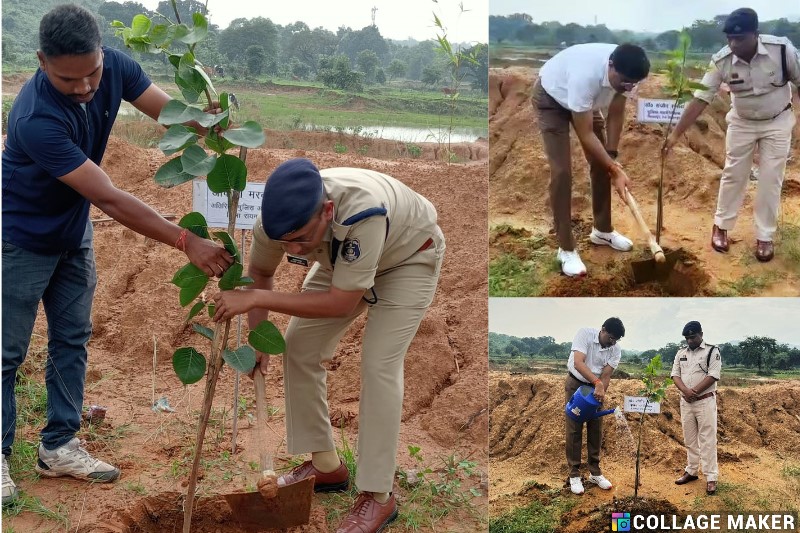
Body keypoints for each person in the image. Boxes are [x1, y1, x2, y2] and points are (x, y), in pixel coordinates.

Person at [1, 5, 233, 505]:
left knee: (72, 339)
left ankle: (59, 447)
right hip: (19, 239)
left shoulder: (116, 66)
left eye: (93, 73)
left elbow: (168, 111)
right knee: (5, 352)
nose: (85, 87)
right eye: (69, 79)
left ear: (102, 54)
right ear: (42, 62)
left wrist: (213, 127)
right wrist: (184, 239)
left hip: (71, 233)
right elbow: (107, 196)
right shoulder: (35, 118)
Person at [211, 158, 445, 533]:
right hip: (344, 263)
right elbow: (262, 273)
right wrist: (260, 340)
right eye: (287, 242)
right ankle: (325, 467)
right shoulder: (275, 223)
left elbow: (340, 303)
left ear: (328, 211)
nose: (296, 249)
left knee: (379, 365)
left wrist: (256, 301)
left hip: (407, 256)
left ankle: (378, 496)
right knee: (299, 345)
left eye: (302, 239)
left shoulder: (362, 212)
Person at [664, 8, 800, 262]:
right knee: (734, 174)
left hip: (778, 121)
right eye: (729, 39)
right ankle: (722, 227)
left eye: (740, 39)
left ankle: (764, 236)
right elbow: (700, 98)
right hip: (742, 122)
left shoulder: (781, 51)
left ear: (756, 35)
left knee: (771, 179)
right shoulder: (721, 61)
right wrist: (675, 134)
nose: (733, 44)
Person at [533, 43, 651, 277]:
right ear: (611, 66)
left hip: (585, 104)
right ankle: (566, 248)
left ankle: (602, 230)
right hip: (552, 98)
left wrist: (612, 159)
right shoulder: (585, 75)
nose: (629, 87)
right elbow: (585, 134)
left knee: (602, 163)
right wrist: (614, 169)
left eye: (634, 84)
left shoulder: (630, 74)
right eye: (625, 81)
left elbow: (616, 112)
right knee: (562, 172)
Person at [564, 317, 624, 495]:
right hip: (576, 385)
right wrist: (596, 382)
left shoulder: (615, 349)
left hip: (596, 389)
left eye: (616, 340)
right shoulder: (585, 335)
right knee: (574, 428)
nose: (612, 342)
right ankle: (574, 474)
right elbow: (578, 362)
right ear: (603, 330)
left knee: (595, 428)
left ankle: (595, 472)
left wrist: (600, 391)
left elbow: (606, 375)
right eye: (611, 338)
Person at [670, 321, 721, 495]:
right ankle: (691, 471)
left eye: (693, 337)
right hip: (686, 402)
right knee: (689, 439)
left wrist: (695, 392)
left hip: (705, 401)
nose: (690, 340)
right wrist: (686, 391)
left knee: (707, 439)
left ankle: (711, 477)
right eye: (687, 338)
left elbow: (713, 375)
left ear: (701, 334)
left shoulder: (712, 351)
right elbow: (675, 374)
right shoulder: (680, 353)